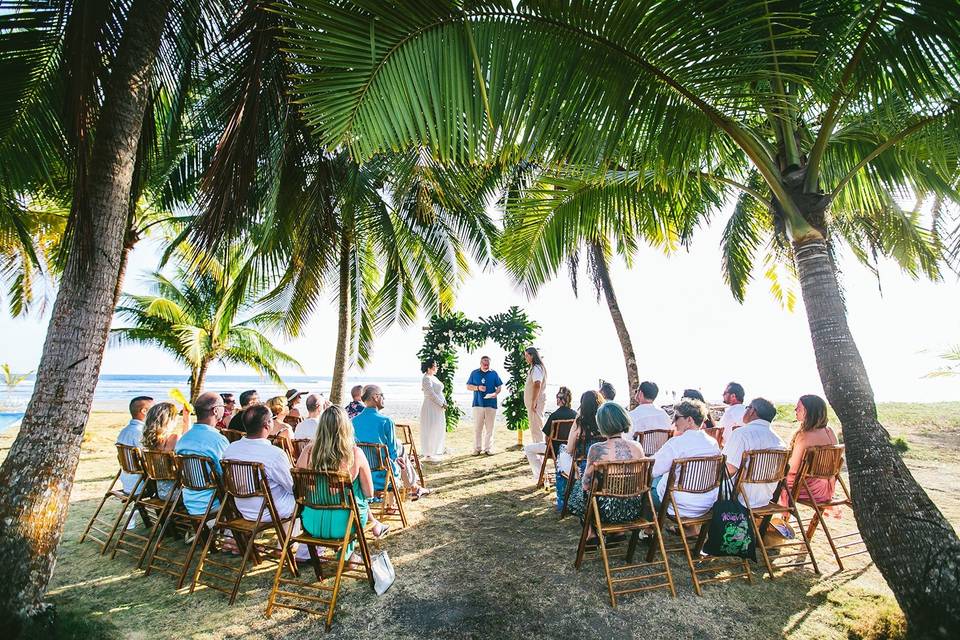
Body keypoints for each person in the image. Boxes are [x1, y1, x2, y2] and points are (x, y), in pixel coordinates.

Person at [295, 406, 390, 557]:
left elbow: (300, 486)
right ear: (346, 428)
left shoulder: (308, 452)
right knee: (355, 494)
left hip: (311, 522)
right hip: (345, 525)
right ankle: (349, 558)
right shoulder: (355, 454)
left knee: (350, 496)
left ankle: (350, 557)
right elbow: (369, 493)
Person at [567, 403, 646, 528]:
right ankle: (617, 533)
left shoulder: (596, 449)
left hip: (607, 511)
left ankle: (590, 533)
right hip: (634, 509)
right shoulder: (637, 447)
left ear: (601, 424)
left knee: (579, 487)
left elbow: (586, 485)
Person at [352, 385, 429, 499]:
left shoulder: (353, 421)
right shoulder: (385, 421)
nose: (384, 398)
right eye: (382, 395)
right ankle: (412, 488)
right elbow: (393, 454)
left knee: (397, 450)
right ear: (376, 397)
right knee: (397, 452)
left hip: (361, 474)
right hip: (382, 477)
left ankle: (408, 491)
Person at [223, 404, 296, 521]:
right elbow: (292, 486)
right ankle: (287, 538)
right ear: (267, 424)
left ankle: (284, 538)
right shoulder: (275, 454)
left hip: (243, 508)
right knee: (299, 498)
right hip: (270, 511)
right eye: (272, 418)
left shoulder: (230, 449)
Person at [651, 399, 721, 518]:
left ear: (689, 420)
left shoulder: (677, 443)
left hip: (678, 504)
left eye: (677, 417)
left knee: (649, 487)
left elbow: (652, 470)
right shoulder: (713, 443)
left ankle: (648, 531)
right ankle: (690, 530)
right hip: (706, 504)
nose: (674, 422)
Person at [722, 397, 787, 508]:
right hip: (765, 498)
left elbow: (729, 469)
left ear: (752, 411)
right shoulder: (780, 442)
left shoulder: (741, 434)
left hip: (739, 497)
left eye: (747, 408)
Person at [175, 392, 229, 516]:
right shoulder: (217, 440)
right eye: (223, 406)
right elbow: (227, 475)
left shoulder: (183, 440)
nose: (224, 409)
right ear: (215, 411)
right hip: (214, 502)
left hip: (189, 501)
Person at [783, 394, 838, 506]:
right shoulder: (830, 432)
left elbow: (792, 468)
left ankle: (765, 520)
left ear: (809, 412)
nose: (795, 410)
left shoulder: (804, 436)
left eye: (799, 408)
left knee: (770, 483)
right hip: (825, 489)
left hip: (805, 488)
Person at [555, 390, 605, 509]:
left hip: (583, 466)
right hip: (603, 465)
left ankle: (562, 501)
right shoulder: (605, 422)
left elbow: (570, 449)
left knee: (562, 451)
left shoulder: (580, 423)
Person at [523, 386, 576, 482]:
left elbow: (547, 439)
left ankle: (540, 476)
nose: (556, 400)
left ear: (561, 400)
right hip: (571, 449)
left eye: (557, 398)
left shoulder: (554, 415)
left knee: (528, 449)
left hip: (554, 449)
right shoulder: (575, 415)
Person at [142, 401, 190, 500]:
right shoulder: (174, 438)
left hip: (161, 492)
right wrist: (186, 419)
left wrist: (186, 419)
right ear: (169, 420)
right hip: (179, 493)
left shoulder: (150, 442)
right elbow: (187, 440)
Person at [116, 396, 154, 495]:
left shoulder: (125, 431)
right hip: (140, 485)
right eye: (154, 410)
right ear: (144, 411)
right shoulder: (140, 432)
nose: (156, 413)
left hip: (129, 483)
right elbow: (150, 461)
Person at [466, 356, 503, 455]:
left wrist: (496, 393)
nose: (486, 365)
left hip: (491, 404)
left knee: (490, 428)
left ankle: (488, 449)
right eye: (484, 363)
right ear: (480, 363)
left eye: (488, 364)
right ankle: (477, 449)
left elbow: (499, 386)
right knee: (478, 428)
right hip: (478, 404)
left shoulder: (494, 373)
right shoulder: (474, 373)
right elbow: (468, 386)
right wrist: (477, 387)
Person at [419, 360, 447, 461]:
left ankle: (434, 451)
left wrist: (443, 402)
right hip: (431, 407)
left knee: (437, 428)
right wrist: (441, 403)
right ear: (429, 367)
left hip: (438, 408)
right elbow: (430, 394)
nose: (437, 367)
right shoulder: (426, 378)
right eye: (435, 366)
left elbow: (439, 392)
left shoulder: (433, 377)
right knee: (430, 428)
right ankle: (428, 453)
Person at [523, 347, 548, 445]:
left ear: (532, 355)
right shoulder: (536, 367)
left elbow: (537, 384)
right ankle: (538, 449)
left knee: (536, 427)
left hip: (536, 403)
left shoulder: (537, 368)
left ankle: (539, 453)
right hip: (535, 403)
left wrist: (533, 401)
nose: (526, 358)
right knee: (536, 426)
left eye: (526, 356)